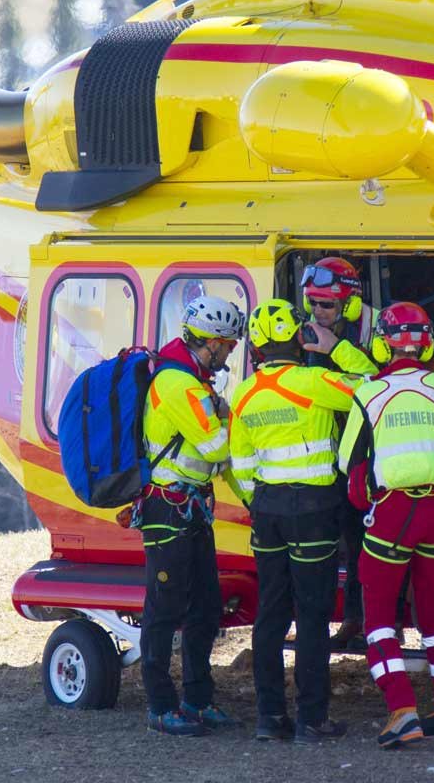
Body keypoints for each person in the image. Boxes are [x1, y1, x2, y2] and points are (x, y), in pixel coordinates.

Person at [337, 302, 434, 749]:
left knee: (379, 621)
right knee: (433, 616)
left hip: (392, 515)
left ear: (382, 343)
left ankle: (403, 711)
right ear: (427, 344)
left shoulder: (369, 392)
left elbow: (349, 463)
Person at [229, 298, 362, 744]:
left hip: (267, 513)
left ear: (259, 348)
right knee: (311, 614)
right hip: (314, 513)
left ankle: (269, 718)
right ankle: (311, 719)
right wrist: (335, 347)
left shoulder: (243, 394)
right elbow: (375, 387)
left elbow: (241, 465)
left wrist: (260, 502)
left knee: (270, 613)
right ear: (296, 338)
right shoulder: (315, 380)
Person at [139, 293, 246, 736]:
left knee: (205, 606)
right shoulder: (178, 385)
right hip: (168, 509)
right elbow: (218, 447)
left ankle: (199, 699)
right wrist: (231, 417)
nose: (231, 353)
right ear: (213, 343)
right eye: (229, 346)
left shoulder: (196, 382)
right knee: (163, 610)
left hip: (193, 507)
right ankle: (161, 706)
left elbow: (215, 460)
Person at [299, 257, 379, 649]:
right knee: (342, 537)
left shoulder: (381, 328)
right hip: (335, 455)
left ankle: (380, 624)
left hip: (377, 454)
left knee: (374, 542)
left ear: (349, 303)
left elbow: (381, 385)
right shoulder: (309, 329)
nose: (317, 312)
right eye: (312, 303)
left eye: (326, 304)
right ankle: (351, 618)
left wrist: (338, 348)